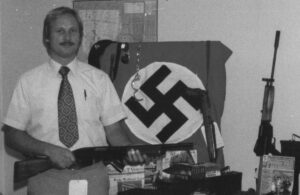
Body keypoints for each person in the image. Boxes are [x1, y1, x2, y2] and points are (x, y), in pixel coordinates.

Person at [2, 6, 144, 195]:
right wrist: (48, 150)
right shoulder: (28, 82)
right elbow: (12, 135)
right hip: (46, 179)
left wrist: (129, 150)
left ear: (80, 36)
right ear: (46, 38)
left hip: (92, 177)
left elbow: (114, 131)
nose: (67, 37)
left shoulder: (99, 79)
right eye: (60, 31)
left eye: (73, 31)